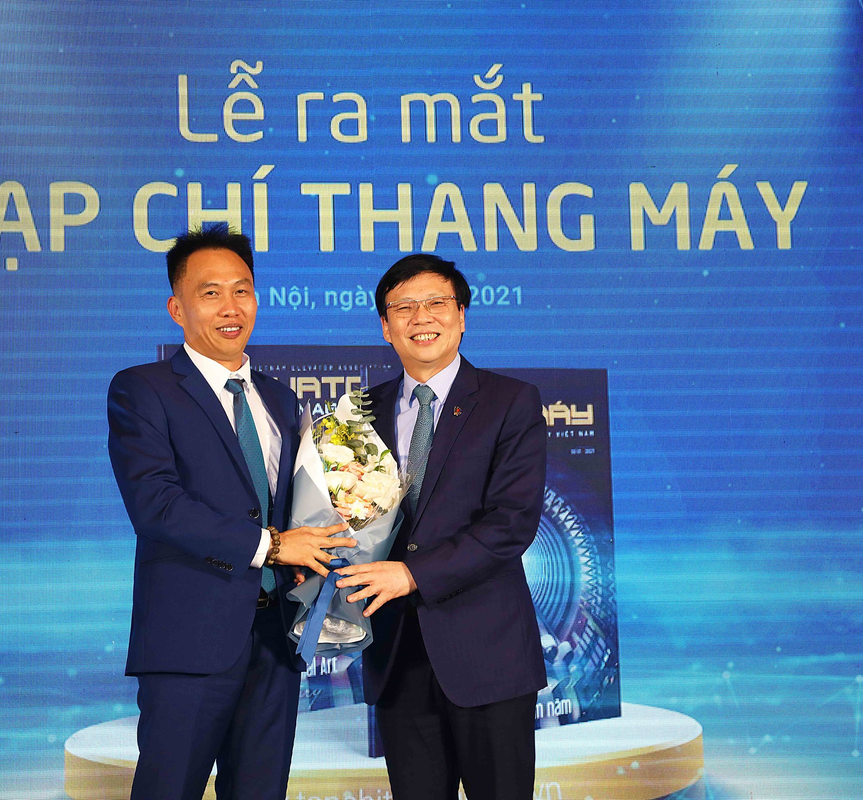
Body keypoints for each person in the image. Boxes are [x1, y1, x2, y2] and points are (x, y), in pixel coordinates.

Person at [106, 223, 353, 800]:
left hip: (276, 639)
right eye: (210, 292)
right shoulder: (143, 389)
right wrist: (273, 545)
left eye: (242, 290)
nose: (230, 306)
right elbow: (156, 505)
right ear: (177, 308)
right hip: (189, 640)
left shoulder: (280, 398)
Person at [334, 253, 547, 800]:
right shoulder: (359, 413)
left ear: (461, 316)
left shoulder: (510, 401)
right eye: (403, 307)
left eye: (436, 303)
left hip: (488, 653)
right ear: (386, 326)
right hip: (397, 653)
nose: (421, 317)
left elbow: (510, 523)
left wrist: (411, 574)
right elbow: (343, 512)